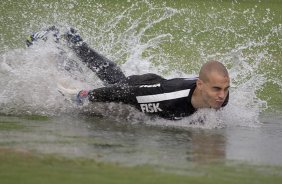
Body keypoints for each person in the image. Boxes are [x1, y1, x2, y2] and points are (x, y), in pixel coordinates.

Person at [26, 27, 230, 120]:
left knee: (115, 78)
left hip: (155, 86)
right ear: (200, 85)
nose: (222, 95)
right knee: (114, 87)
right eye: (216, 89)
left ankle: (75, 41)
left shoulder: (221, 96)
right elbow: (125, 93)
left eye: (225, 89)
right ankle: (54, 50)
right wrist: (85, 96)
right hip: (144, 88)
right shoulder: (167, 98)